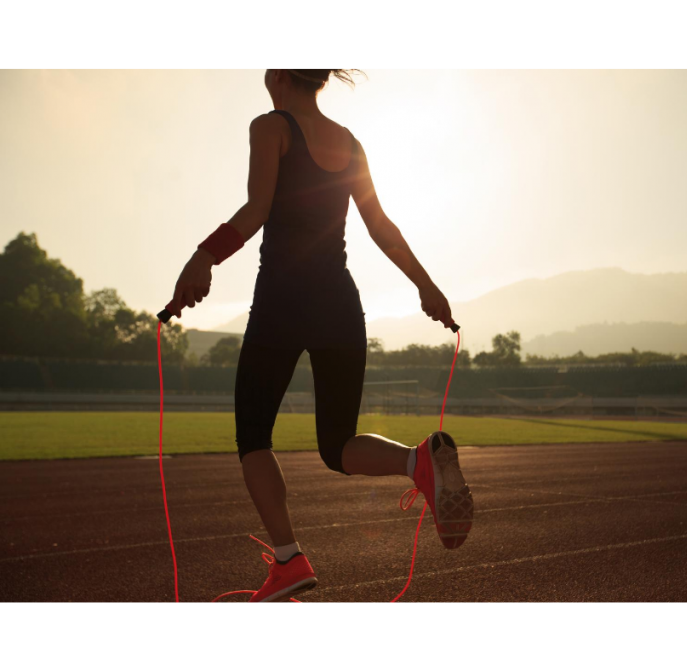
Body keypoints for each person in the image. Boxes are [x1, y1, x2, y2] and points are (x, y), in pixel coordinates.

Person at [171, 68, 473, 603]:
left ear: (282, 75)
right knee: (337, 445)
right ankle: (417, 459)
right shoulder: (351, 142)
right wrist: (427, 287)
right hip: (339, 301)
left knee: (253, 435)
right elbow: (381, 225)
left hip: (284, 300)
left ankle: (288, 560)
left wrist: (203, 256)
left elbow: (256, 210)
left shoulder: (271, 127)